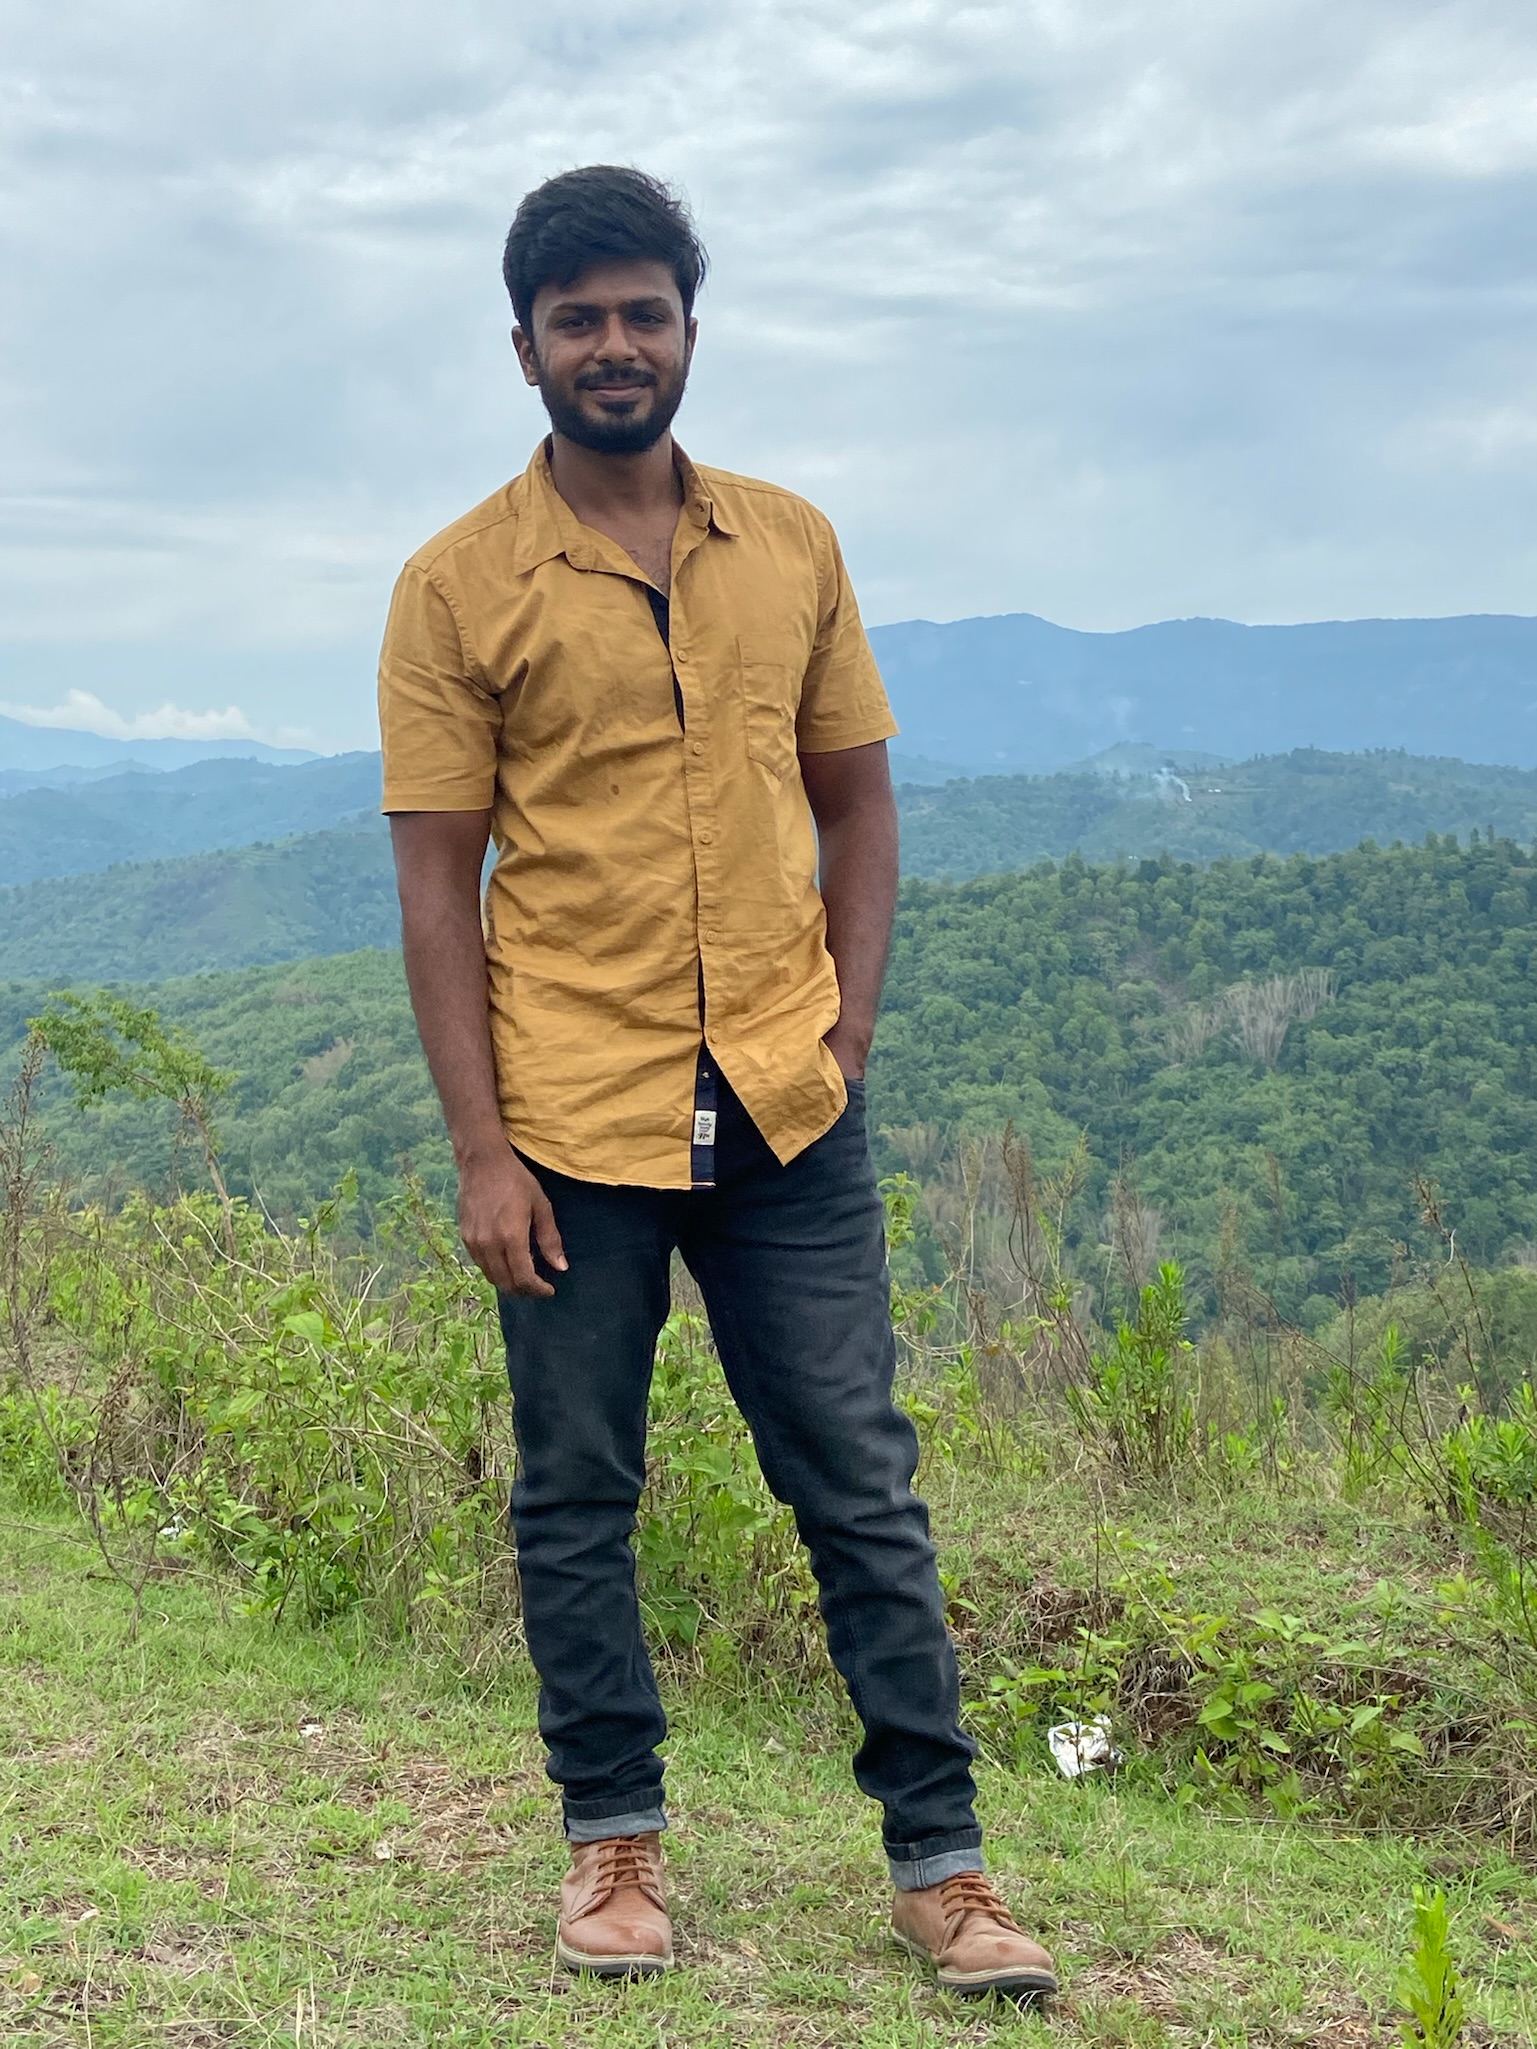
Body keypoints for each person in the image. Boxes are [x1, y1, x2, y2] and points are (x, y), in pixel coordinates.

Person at [378, 163, 1057, 2002]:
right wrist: (480, 1151)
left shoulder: (792, 545)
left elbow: (858, 804)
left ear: (689, 328)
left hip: (783, 1106)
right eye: (578, 319)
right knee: (576, 1491)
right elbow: (437, 882)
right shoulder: (456, 585)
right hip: (566, 1121)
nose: (614, 345)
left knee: (859, 1484)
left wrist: (846, 1033)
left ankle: (944, 1867)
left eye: (643, 313)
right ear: (523, 347)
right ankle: (612, 1840)